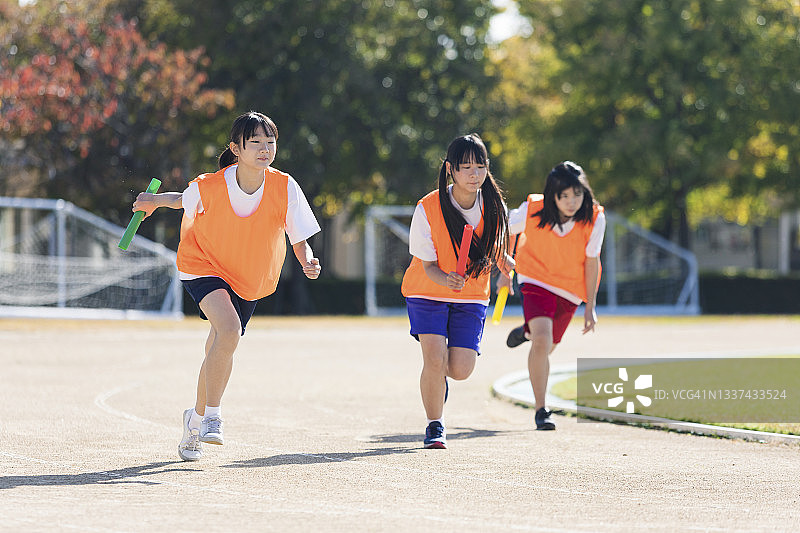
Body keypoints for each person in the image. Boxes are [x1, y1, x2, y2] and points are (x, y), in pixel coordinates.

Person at [131, 111, 321, 461]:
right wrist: (153, 201)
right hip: (203, 264)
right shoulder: (211, 184)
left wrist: (307, 258)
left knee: (220, 345)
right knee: (229, 331)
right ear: (236, 148)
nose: (265, 149)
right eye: (256, 143)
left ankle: (193, 422)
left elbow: (299, 235)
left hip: (248, 276)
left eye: (270, 142)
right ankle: (213, 416)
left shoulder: (285, 186)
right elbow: (180, 199)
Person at [400, 134, 514, 449]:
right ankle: (435, 425)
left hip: (472, 295)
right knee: (434, 359)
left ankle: (438, 381)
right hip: (427, 291)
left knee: (460, 370)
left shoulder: (495, 205)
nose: (474, 173)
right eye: (466, 167)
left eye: (480, 166)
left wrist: (503, 259)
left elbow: (492, 244)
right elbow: (426, 266)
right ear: (451, 169)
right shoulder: (428, 206)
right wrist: (445, 278)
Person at [499, 161, 604, 430]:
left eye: (577, 194)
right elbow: (505, 229)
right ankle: (541, 409)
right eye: (564, 195)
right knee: (543, 341)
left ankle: (526, 331)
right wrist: (504, 268)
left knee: (547, 345)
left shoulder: (595, 218)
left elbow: (592, 262)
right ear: (553, 195)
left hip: (569, 289)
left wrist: (590, 306)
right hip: (535, 279)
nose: (572, 202)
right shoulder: (533, 209)